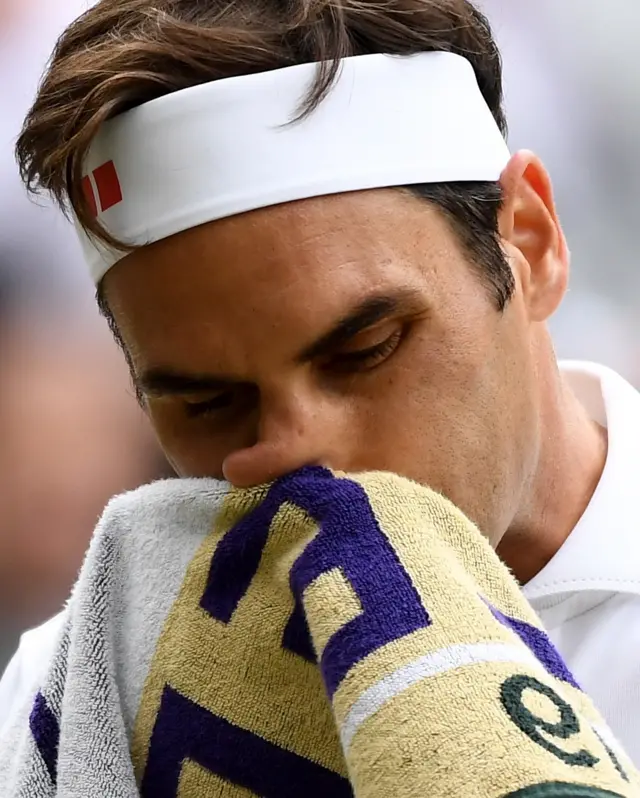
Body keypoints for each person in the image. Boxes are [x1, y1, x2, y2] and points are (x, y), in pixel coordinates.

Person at [1, 0, 638, 764]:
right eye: (209, 404)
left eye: (366, 349)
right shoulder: (75, 698)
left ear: (530, 243)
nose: (300, 456)